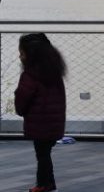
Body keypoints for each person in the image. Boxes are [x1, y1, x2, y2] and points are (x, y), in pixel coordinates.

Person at [14, 33, 67, 192]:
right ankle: (48, 183)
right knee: (45, 154)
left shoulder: (30, 75)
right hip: (54, 123)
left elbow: (22, 98)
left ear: (31, 56)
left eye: (22, 53)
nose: (19, 56)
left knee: (42, 156)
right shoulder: (54, 72)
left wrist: (20, 109)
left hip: (39, 124)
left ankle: (44, 185)